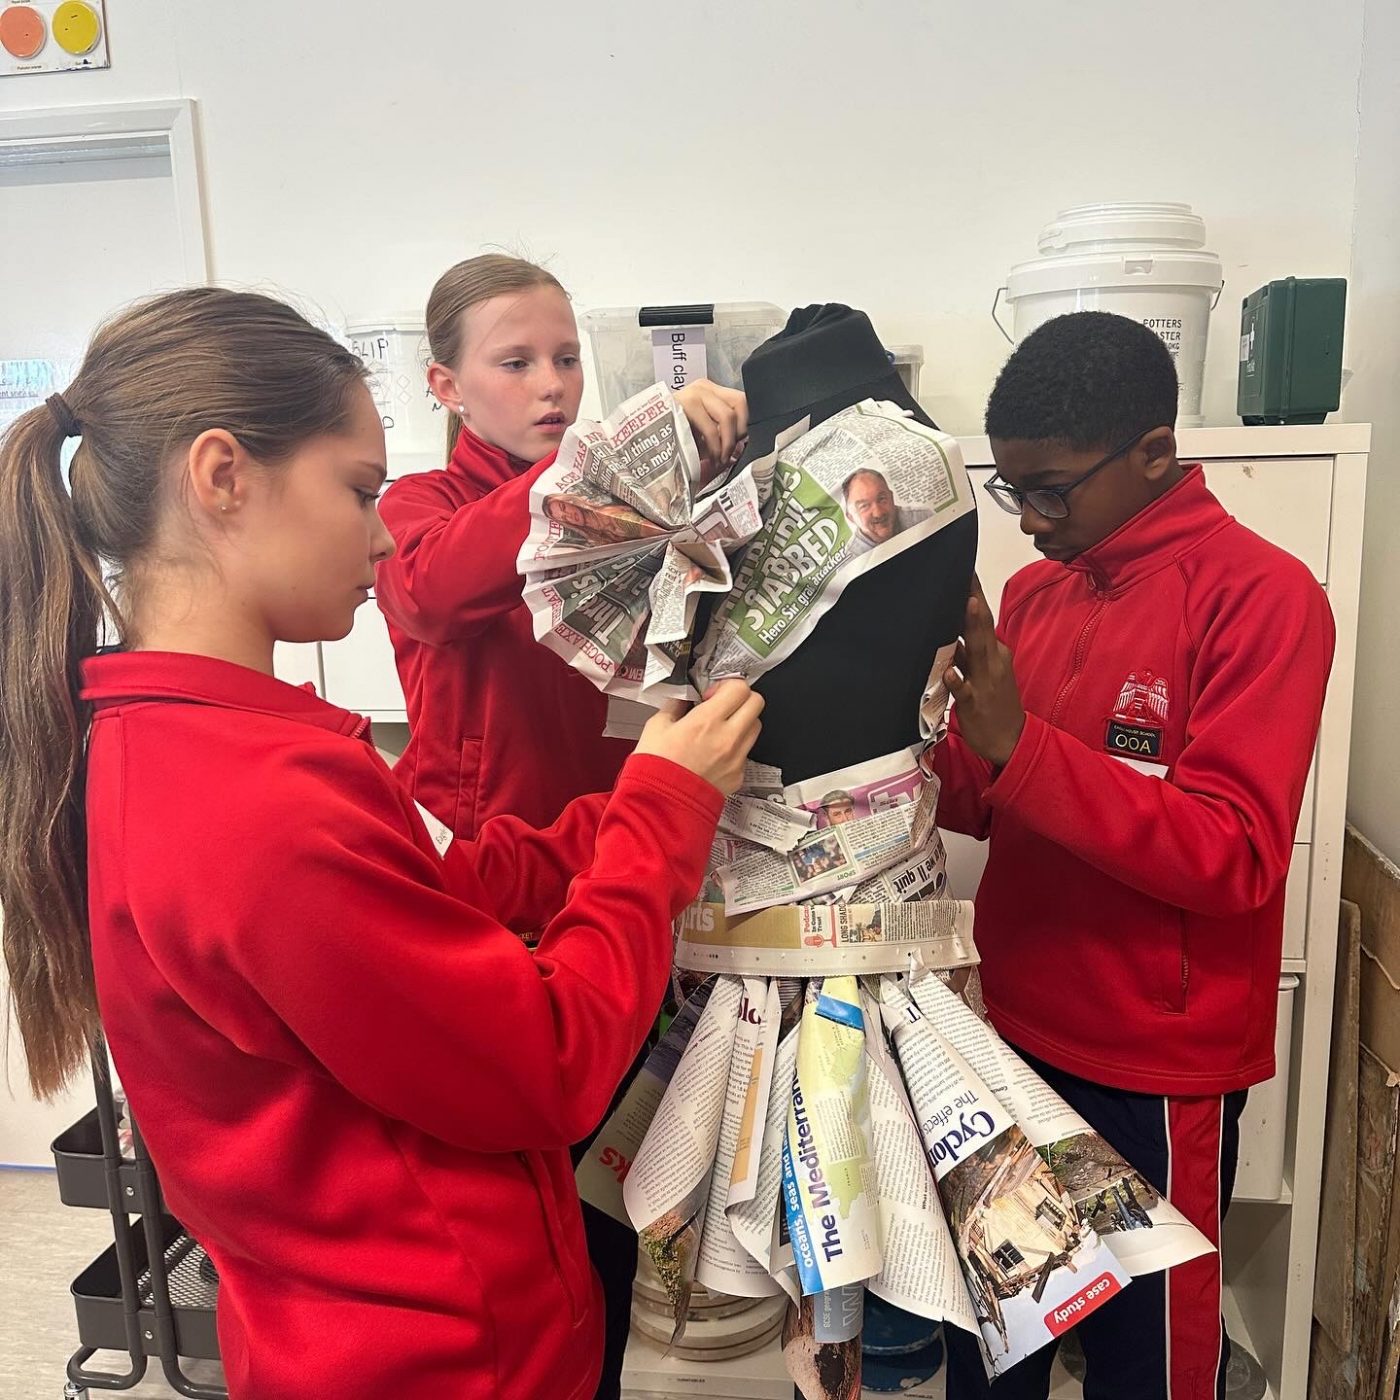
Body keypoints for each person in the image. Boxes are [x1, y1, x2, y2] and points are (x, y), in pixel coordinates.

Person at [0, 286, 763, 1400]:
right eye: (357, 490)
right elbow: (549, 1064)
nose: (378, 532)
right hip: (440, 1359)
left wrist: (643, 799)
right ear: (221, 477)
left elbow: (441, 886)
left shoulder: (184, 740)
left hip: (353, 1331)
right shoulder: (250, 803)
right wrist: (656, 820)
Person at [934, 311, 1333, 1400]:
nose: (1029, 522)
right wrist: (901, 732)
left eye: (1051, 491)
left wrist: (1019, 744)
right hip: (1011, 1045)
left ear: (1153, 452)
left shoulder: (1261, 597)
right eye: (1012, 490)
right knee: (1000, 1348)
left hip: (1149, 1075)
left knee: (1145, 1368)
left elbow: (1233, 852)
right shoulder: (1037, 593)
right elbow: (987, 797)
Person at [374, 253, 749, 1398]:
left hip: (621, 868)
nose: (551, 384)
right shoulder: (418, 508)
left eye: (568, 358)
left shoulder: (614, 494)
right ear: (445, 385)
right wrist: (612, 458)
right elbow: (433, 587)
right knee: (524, 1206)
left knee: (606, 1196)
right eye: (516, 362)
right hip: (497, 902)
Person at [841, 466, 930, 554]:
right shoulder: (851, 556)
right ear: (850, 517)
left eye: (882, 499)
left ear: (892, 498)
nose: (878, 513)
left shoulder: (923, 518)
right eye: (864, 506)